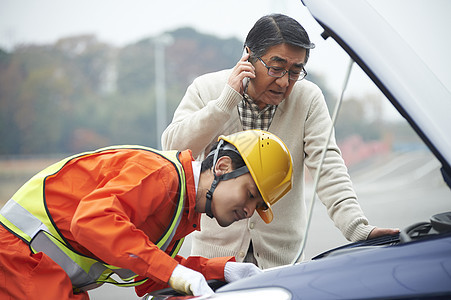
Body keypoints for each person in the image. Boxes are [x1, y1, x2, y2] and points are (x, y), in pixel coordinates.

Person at [161, 13, 399, 269]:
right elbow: (173, 150)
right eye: (276, 68)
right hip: (212, 263)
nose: (285, 81)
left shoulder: (308, 99)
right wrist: (224, 102)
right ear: (249, 55)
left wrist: (357, 229)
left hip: (282, 265)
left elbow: (328, 168)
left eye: (296, 71)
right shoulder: (206, 88)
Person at [0, 129, 293, 300]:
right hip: (18, 258)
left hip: (45, 271)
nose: (249, 210)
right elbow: (92, 222)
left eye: (258, 207)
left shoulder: (181, 207)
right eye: (251, 195)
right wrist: (176, 272)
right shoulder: (161, 175)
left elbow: (146, 272)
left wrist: (223, 271)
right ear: (223, 167)